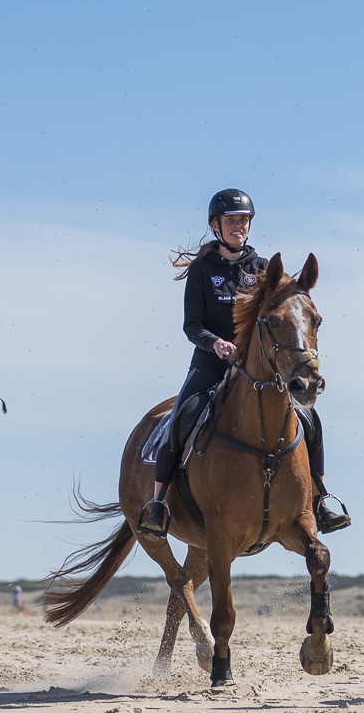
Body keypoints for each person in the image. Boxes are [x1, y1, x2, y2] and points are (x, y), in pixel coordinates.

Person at [134, 189, 351, 539]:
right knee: (181, 417)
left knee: (311, 419)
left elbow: (280, 316)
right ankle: (159, 502)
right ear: (216, 226)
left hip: (257, 368)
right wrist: (216, 343)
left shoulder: (262, 268)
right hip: (211, 365)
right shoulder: (202, 270)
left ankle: (321, 498)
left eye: (243, 220)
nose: (238, 226)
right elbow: (192, 325)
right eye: (231, 220)